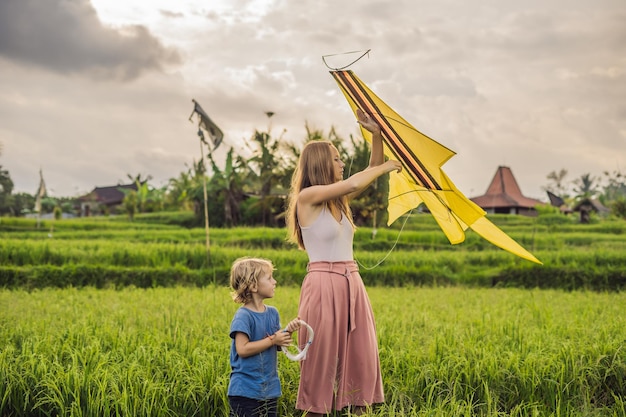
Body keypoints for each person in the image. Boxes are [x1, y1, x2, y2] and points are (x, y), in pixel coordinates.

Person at [286, 109, 402, 416]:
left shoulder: (339, 201)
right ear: (321, 163)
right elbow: (355, 182)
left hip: (352, 283)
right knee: (321, 362)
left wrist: (376, 135)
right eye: (336, 158)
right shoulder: (308, 197)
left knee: (360, 357)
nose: (342, 163)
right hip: (323, 283)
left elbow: (370, 169)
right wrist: (391, 166)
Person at [227, 256, 301, 417]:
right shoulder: (244, 316)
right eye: (269, 278)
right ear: (253, 286)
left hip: (269, 390)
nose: (274, 282)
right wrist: (273, 340)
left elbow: (278, 346)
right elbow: (242, 349)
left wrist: (288, 332)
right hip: (245, 392)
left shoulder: (272, 313)